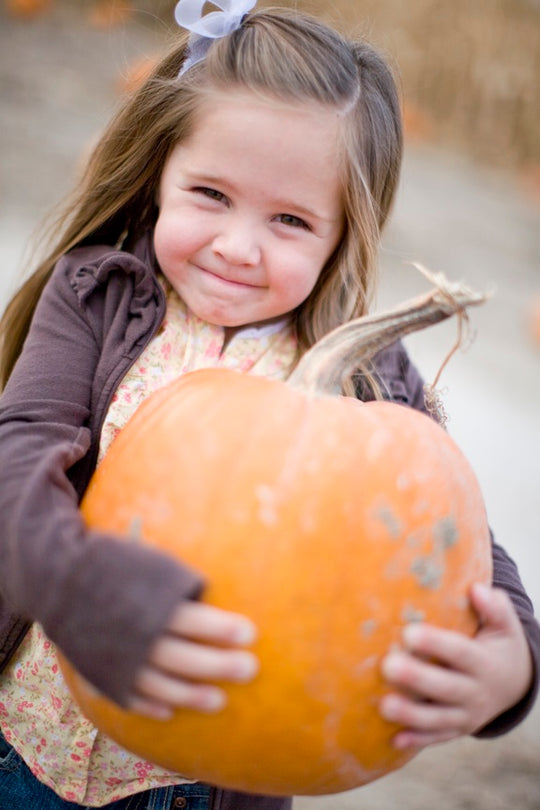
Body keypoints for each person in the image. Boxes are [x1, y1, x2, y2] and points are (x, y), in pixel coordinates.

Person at [0, 1, 538, 808]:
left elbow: (454, 538)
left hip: (207, 784)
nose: (239, 246)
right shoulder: (96, 299)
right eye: (210, 194)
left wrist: (516, 663)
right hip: (24, 748)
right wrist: (78, 590)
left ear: (341, 234)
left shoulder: (369, 377)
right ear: (157, 174)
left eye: (290, 220)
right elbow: (15, 462)